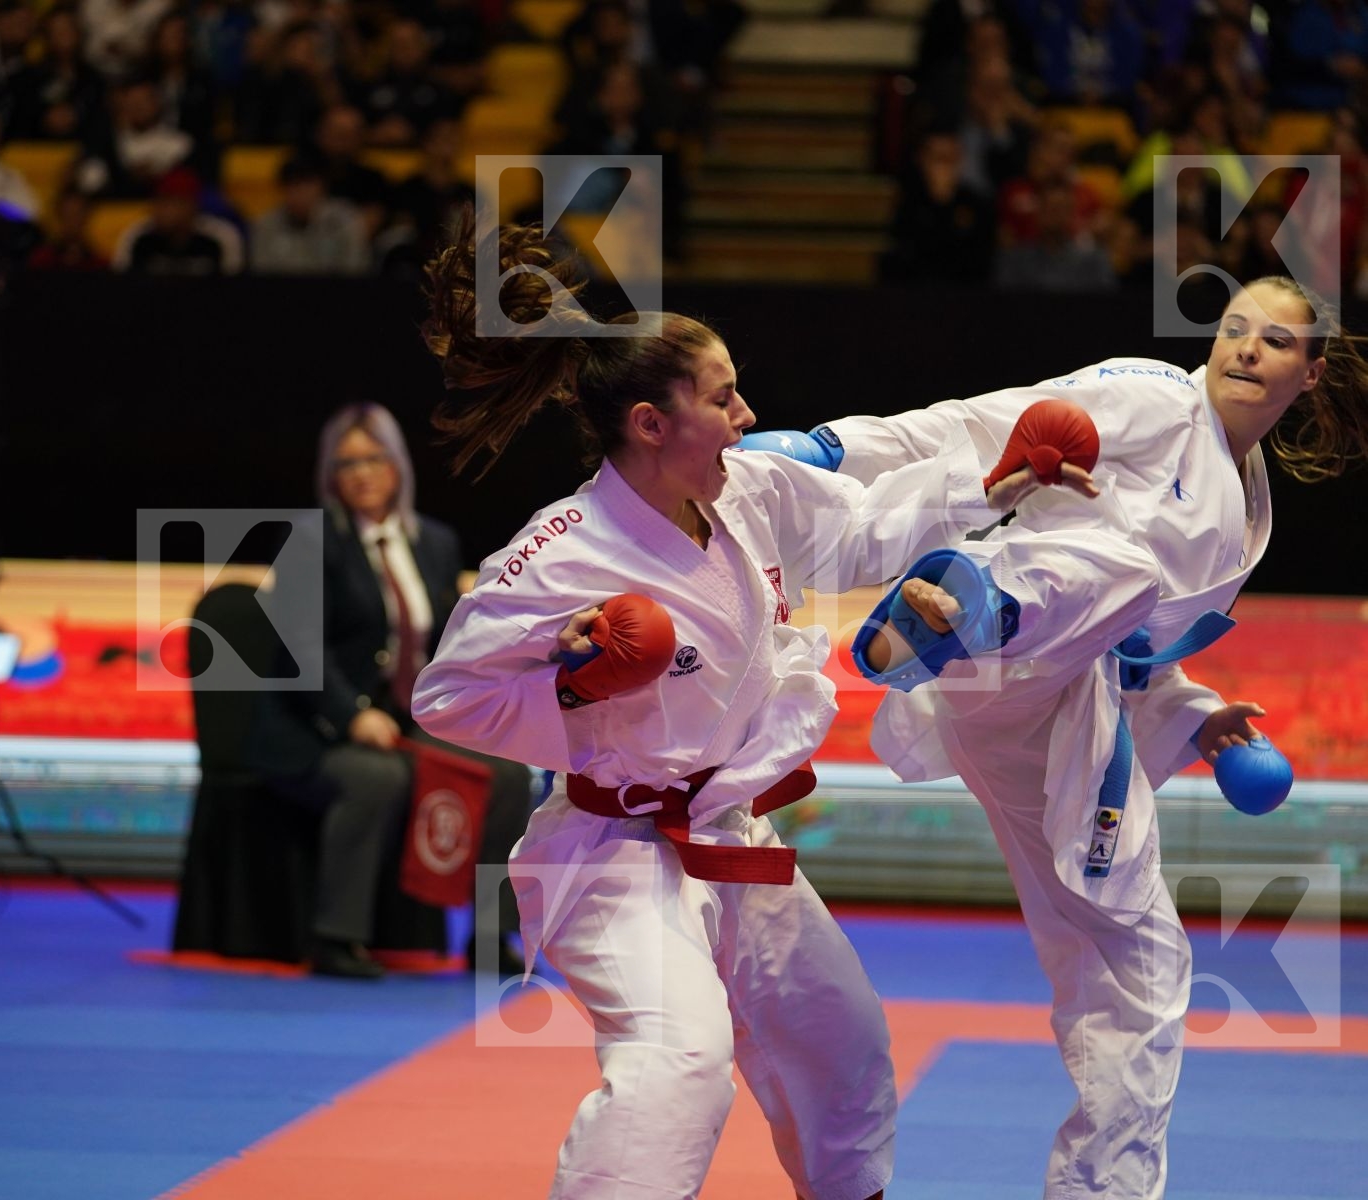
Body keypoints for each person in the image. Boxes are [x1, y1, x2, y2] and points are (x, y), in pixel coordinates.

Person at [408, 218, 1095, 1200]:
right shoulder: (559, 554)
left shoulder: (749, 491)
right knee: (677, 1066)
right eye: (720, 395)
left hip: (731, 835)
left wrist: (990, 482)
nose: (745, 412)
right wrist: (566, 683)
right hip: (611, 853)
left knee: (841, 1048)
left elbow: (864, 529)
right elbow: (447, 695)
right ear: (650, 422)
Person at [742, 276, 1368, 1200]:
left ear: (1310, 374)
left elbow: (1142, 658)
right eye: (1234, 328)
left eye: (1274, 342)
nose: (1243, 349)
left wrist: (1199, 716)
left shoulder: (1248, 510)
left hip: (1062, 709)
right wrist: (838, 447)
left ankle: (1102, 1191)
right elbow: (976, 422)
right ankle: (955, 610)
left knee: (1143, 968)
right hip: (1001, 636)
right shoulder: (1155, 396)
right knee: (1121, 564)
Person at [250, 402, 535, 979]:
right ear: (330, 474)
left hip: (409, 721)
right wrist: (352, 715)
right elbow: (301, 650)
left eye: (372, 458)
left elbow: (457, 638)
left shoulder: (433, 541)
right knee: (378, 777)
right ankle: (336, 939)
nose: (360, 472)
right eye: (346, 462)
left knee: (506, 775)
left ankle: (487, 935)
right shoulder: (310, 541)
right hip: (317, 730)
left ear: (397, 466)